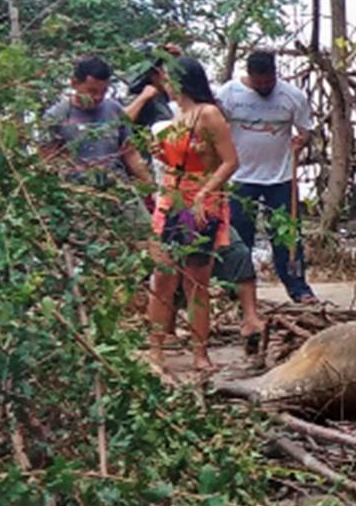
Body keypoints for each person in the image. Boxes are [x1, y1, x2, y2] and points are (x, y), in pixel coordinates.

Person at [145, 57, 257, 377]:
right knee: (163, 278)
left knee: (197, 282)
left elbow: (229, 161)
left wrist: (207, 191)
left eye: (169, 79)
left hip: (200, 204)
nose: (165, 84)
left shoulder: (208, 114)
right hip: (171, 200)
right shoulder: (178, 116)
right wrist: (161, 154)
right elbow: (177, 162)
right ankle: (156, 351)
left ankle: (200, 354)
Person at [219, 50, 318, 303]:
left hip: (280, 176)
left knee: (287, 236)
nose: (264, 86)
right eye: (259, 82)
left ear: (275, 74)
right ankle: (235, 290)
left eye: (269, 81)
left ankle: (298, 287)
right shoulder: (229, 94)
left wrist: (301, 142)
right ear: (249, 75)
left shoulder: (291, 96)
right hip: (240, 177)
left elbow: (306, 130)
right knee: (240, 237)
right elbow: (215, 128)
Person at [39, 54, 156, 193]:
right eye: (92, 91)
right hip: (78, 194)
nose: (98, 97)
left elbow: (130, 153)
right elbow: (48, 160)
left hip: (118, 188)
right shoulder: (56, 116)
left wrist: (152, 187)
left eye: (103, 91)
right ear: (75, 84)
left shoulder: (114, 109)